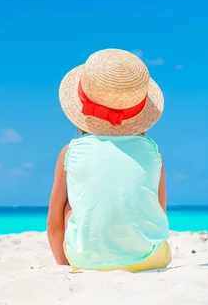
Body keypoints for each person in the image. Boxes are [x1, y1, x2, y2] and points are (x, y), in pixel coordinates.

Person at [47, 48, 171, 272]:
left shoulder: (71, 152)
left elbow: (54, 218)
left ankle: (83, 253)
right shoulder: (154, 152)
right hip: (151, 258)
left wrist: (64, 261)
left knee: (67, 205)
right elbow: (158, 210)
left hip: (85, 260)